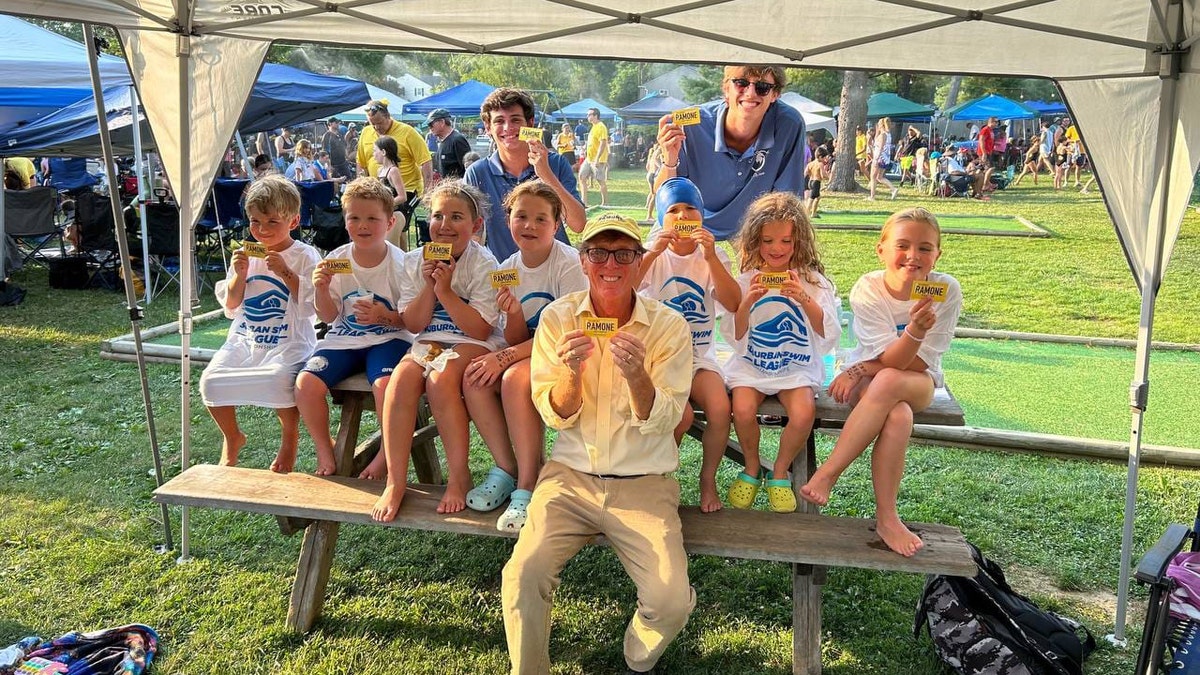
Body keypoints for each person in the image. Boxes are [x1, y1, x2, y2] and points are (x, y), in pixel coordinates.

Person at [502, 212, 694, 675]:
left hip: (644, 482)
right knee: (522, 576)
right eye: (599, 252)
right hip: (569, 479)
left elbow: (667, 418)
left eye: (623, 253)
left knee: (670, 602)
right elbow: (554, 413)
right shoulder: (558, 318)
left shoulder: (668, 326)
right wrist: (571, 372)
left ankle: (636, 656)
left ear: (638, 261)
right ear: (584, 261)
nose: (611, 263)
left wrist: (638, 377)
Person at [801, 207, 962, 557]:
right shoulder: (869, 287)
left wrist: (912, 335)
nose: (913, 256)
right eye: (902, 245)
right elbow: (886, 358)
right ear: (882, 249)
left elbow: (916, 362)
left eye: (925, 247)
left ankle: (829, 473)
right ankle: (888, 518)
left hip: (918, 379)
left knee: (891, 378)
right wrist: (870, 365)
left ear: (938, 253)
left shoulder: (945, 289)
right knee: (899, 415)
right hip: (875, 379)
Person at [462, 181, 588, 531]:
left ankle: (528, 482)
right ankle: (506, 466)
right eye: (521, 216)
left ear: (556, 223)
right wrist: (514, 313)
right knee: (474, 378)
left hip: (566, 352)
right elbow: (515, 335)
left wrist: (502, 359)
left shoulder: (568, 264)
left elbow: (562, 336)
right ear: (508, 220)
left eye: (540, 219)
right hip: (527, 348)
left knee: (514, 379)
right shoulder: (508, 267)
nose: (529, 226)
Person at [371, 180, 501, 518]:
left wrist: (446, 292)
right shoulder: (414, 260)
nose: (445, 225)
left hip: (472, 341)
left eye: (456, 217)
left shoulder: (484, 264)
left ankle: (458, 476)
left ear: (475, 227)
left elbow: (481, 327)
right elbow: (413, 323)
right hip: (428, 340)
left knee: (442, 379)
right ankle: (395, 481)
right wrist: (431, 287)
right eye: (438, 216)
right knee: (400, 382)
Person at [720, 193, 840, 513]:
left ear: (799, 240)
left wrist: (804, 298)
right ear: (754, 241)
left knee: (802, 413)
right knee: (742, 409)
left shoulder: (814, 282)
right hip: (752, 364)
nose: (777, 249)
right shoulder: (746, 280)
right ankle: (750, 467)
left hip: (796, 365)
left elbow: (827, 331)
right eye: (768, 240)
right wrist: (746, 302)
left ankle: (779, 471)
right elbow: (735, 332)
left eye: (786, 240)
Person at [199, 176, 322, 473]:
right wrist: (239, 275)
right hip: (246, 336)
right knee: (210, 382)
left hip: (289, 338)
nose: (262, 230)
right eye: (255, 222)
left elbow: (314, 307)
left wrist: (286, 273)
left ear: (293, 222)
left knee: (278, 379)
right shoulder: (247, 254)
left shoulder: (305, 255)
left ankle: (289, 438)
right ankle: (232, 437)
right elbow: (230, 305)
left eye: (272, 222)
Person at [636, 178, 740, 513]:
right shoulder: (652, 251)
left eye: (690, 208)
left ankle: (707, 479)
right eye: (674, 210)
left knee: (721, 409)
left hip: (698, 356)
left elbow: (733, 302)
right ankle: (661, 475)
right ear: (662, 219)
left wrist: (710, 257)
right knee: (676, 417)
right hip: (660, 357)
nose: (682, 215)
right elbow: (628, 289)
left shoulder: (714, 254)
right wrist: (652, 253)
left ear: (702, 215)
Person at [295, 178, 411, 477]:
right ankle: (326, 449)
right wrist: (321, 289)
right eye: (354, 218)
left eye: (373, 218)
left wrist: (384, 316)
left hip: (390, 338)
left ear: (390, 222)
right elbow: (330, 316)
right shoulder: (336, 261)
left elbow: (412, 321)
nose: (363, 225)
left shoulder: (401, 263)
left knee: (386, 386)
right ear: (345, 221)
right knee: (306, 385)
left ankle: (388, 451)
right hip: (344, 340)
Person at [654, 65, 806, 241]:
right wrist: (669, 159)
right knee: (653, 262)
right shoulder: (689, 123)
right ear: (726, 89)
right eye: (741, 83)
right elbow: (663, 196)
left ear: (775, 95)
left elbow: (786, 201)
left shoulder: (789, 123)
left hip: (753, 224)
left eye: (762, 87)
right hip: (691, 219)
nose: (750, 93)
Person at [464, 87, 586, 263]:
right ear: (488, 128)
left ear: (530, 123)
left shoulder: (556, 163)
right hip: (506, 274)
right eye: (499, 121)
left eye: (515, 119)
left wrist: (546, 175)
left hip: (556, 272)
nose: (508, 128)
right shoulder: (477, 173)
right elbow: (473, 235)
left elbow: (578, 224)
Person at [356, 99, 433, 246]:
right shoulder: (366, 133)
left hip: (407, 189)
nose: (377, 127)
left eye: (380, 123)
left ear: (388, 116)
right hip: (380, 190)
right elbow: (361, 163)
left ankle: (392, 256)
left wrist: (428, 192)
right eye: (373, 124)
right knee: (397, 233)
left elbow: (425, 161)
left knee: (394, 225)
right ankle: (401, 260)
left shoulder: (407, 132)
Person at [372, 135, 410, 248]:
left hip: (396, 215)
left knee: (391, 249)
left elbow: (402, 196)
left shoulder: (393, 171)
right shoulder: (380, 171)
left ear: (383, 152)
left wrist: (383, 205)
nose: (373, 154)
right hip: (385, 215)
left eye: (375, 151)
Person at [427, 108, 472, 180]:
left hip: (457, 189)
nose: (430, 128)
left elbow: (469, 169)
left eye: (431, 124)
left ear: (442, 122)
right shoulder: (442, 141)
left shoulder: (457, 140)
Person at [578, 107, 610, 207]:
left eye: (589, 115)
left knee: (600, 180)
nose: (588, 117)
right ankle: (584, 202)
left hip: (598, 159)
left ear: (595, 115)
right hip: (589, 159)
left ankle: (605, 203)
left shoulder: (601, 126)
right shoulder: (593, 127)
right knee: (581, 177)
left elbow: (603, 143)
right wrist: (584, 149)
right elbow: (592, 143)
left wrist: (597, 158)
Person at [868, 117, 898, 201]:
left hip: (880, 157)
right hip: (886, 158)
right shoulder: (888, 134)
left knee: (873, 177)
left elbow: (880, 147)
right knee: (879, 177)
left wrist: (876, 159)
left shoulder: (883, 135)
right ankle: (893, 189)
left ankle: (872, 196)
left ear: (881, 125)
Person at [804, 147, 831, 218]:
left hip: (810, 182)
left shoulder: (810, 163)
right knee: (811, 199)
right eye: (824, 157)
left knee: (818, 197)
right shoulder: (820, 164)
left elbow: (805, 172)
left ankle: (814, 213)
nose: (825, 159)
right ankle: (806, 215)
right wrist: (828, 176)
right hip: (816, 182)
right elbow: (823, 175)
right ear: (820, 157)